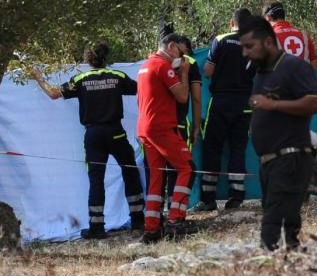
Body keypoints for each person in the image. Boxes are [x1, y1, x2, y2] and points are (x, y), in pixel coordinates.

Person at [33, 43, 146, 239]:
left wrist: (38, 77)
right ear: (106, 59)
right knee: (130, 172)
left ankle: (97, 227)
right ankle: (138, 220)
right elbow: (141, 89)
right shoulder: (117, 76)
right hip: (116, 132)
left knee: (96, 180)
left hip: (93, 135)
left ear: (87, 60)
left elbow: (53, 93)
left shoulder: (80, 79)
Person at [239, 16, 317, 251]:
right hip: (269, 162)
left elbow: (315, 103)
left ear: (267, 42)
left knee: (273, 226)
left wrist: (273, 105)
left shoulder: (293, 66)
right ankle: (289, 273)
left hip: (291, 158)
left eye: (249, 46)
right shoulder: (262, 73)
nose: (245, 53)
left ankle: (271, 275)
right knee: (285, 228)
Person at [195, 8, 257, 211]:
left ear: (232, 23)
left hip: (221, 100)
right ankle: (237, 196)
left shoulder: (221, 39)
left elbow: (208, 70)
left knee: (213, 147)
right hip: (244, 103)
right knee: (238, 149)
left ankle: (209, 198)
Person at [137, 33, 194, 242]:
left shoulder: (145, 65)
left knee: (156, 176)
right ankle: (175, 221)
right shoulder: (162, 66)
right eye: (181, 52)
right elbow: (182, 97)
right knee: (187, 167)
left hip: (145, 128)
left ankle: (151, 228)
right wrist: (184, 73)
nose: (182, 57)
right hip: (161, 127)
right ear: (171, 46)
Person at [160, 35, 202, 212]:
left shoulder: (157, 62)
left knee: (159, 171)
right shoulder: (189, 63)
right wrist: (197, 125)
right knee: (182, 169)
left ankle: (160, 214)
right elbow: (196, 98)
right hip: (179, 124)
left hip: (156, 125)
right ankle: (176, 212)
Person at [263, 2, 317, 70]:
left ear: (268, 18)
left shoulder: (269, 38)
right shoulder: (304, 35)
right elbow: (313, 66)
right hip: (304, 79)